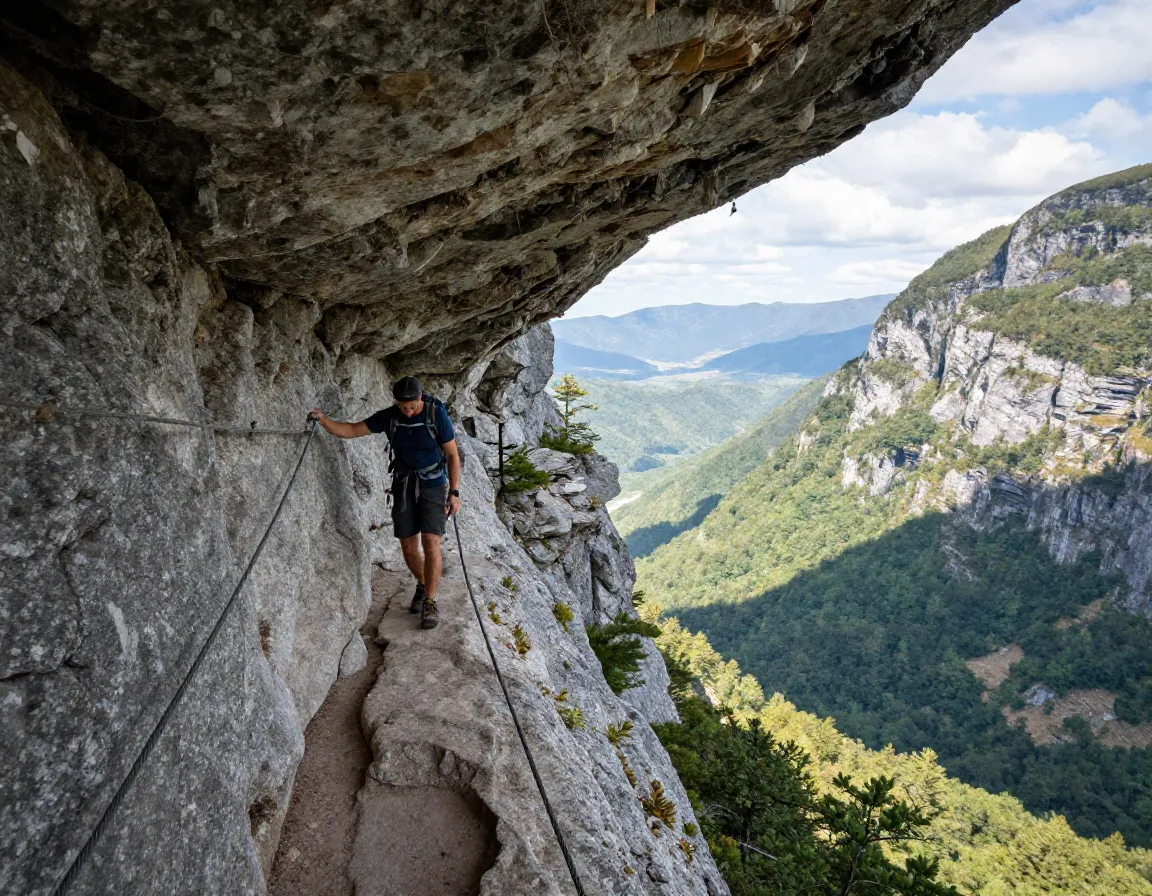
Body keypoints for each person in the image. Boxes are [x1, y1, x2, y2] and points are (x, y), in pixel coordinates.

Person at [309, 376, 462, 629]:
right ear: (396, 402)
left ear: (420, 397)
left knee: (431, 541)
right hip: (403, 485)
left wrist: (454, 492)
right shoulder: (390, 417)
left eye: (412, 405)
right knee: (409, 547)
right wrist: (323, 420)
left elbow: (452, 455)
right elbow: (351, 430)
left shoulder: (436, 415)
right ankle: (422, 585)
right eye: (404, 406)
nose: (408, 410)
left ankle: (431, 602)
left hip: (433, 484)